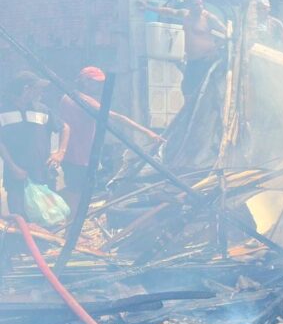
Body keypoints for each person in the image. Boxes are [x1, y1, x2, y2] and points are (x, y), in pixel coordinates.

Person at [57, 67, 164, 212]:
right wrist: (147, 133)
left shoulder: (67, 97)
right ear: (84, 81)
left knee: (78, 191)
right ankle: (73, 227)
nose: (98, 87)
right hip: (78, 155)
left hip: (78, 155)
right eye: (94, 83)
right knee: (77, 193)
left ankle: (75, 225)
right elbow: (118, 118)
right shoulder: (83, 100)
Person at [0, 71, 68, 218]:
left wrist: (60, 153)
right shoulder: (3, 110)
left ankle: (45, 241)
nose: (41, 92)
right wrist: (13, 167)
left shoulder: (42, 109)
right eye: (38, 88)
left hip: (43, 172)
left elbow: (65, 128)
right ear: (26, 89)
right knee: (19, 219)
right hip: (16, 176)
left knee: (47, 215)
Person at [153, 0, 228, 100]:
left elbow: (227, 33)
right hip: (192, 60)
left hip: (206, 60)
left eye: (201, 4)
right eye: (196, 5)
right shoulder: (185, 15)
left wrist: (215, 49)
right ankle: (190, 112)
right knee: (187, 88)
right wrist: (149, 8)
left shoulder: (209, 18)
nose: (199, 7)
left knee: (202, 89)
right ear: (190, 6)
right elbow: (170, 12)